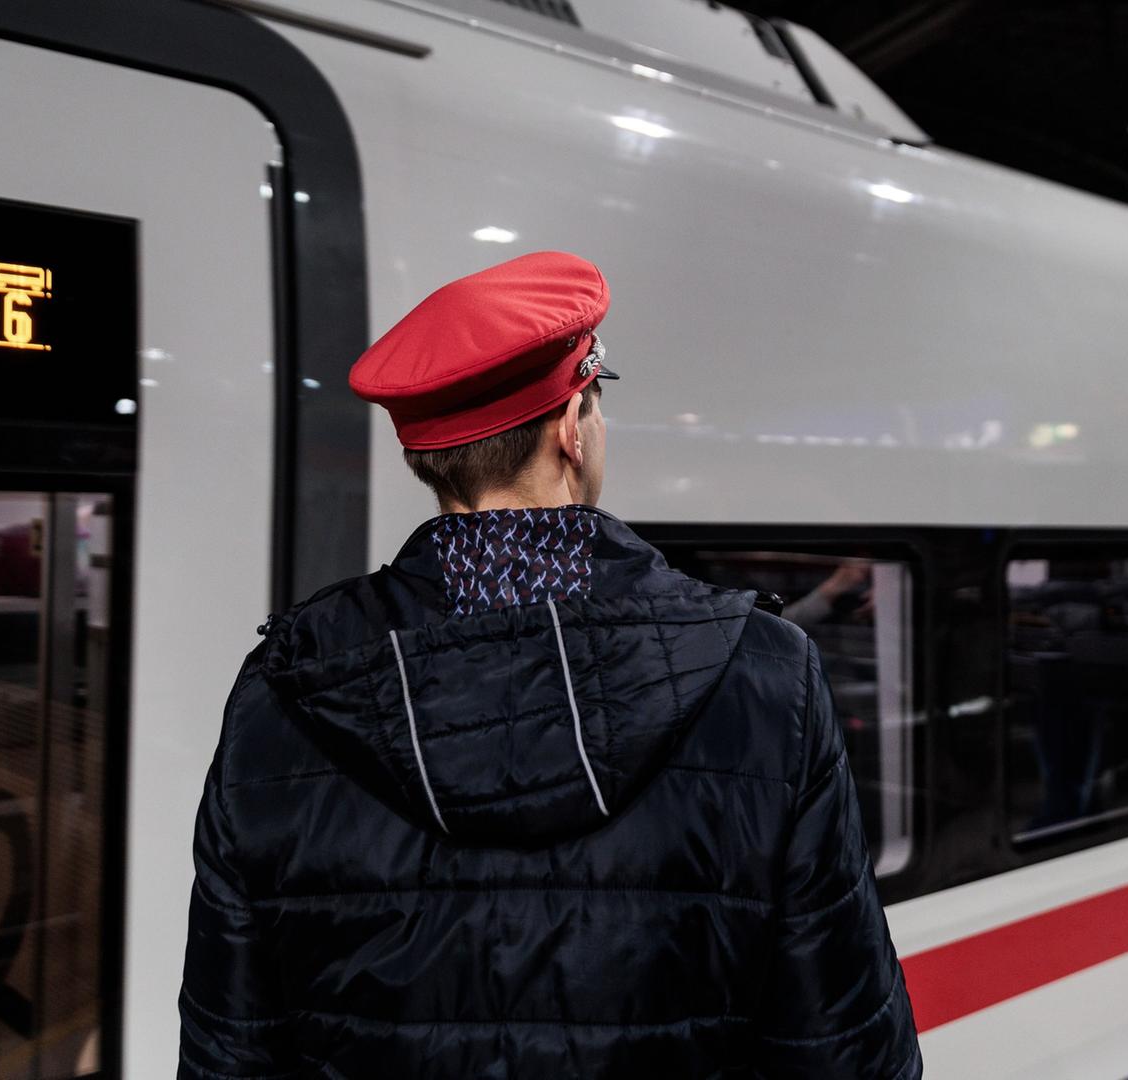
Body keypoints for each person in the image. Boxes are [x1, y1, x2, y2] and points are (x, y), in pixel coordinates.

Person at [177, 251, 921, 1079]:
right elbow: (845, 1046)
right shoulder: (766, 675)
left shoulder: (280, 691)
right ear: (572, 425)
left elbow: (229, 1047)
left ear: (426, 457)